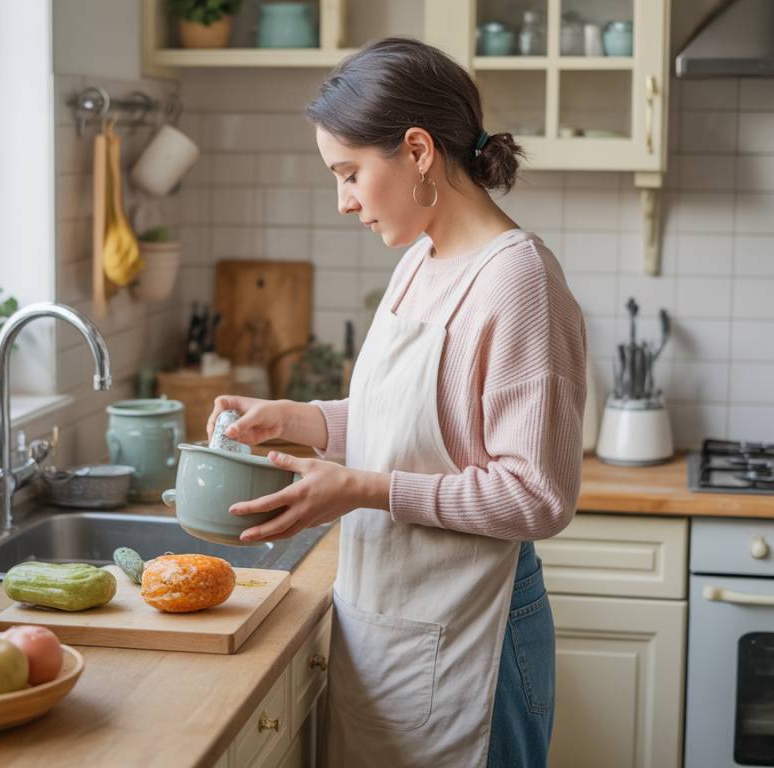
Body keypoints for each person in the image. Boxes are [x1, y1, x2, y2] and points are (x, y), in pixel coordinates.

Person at [206, 38, 586, 768]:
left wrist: (362, 490)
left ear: (417, 150)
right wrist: (297, 420)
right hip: (394, 625)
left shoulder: (519, 282)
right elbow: (411, 426)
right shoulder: (419, 260)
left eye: (349, 173)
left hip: (478, 633)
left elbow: (537, 496)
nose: (344, 200)